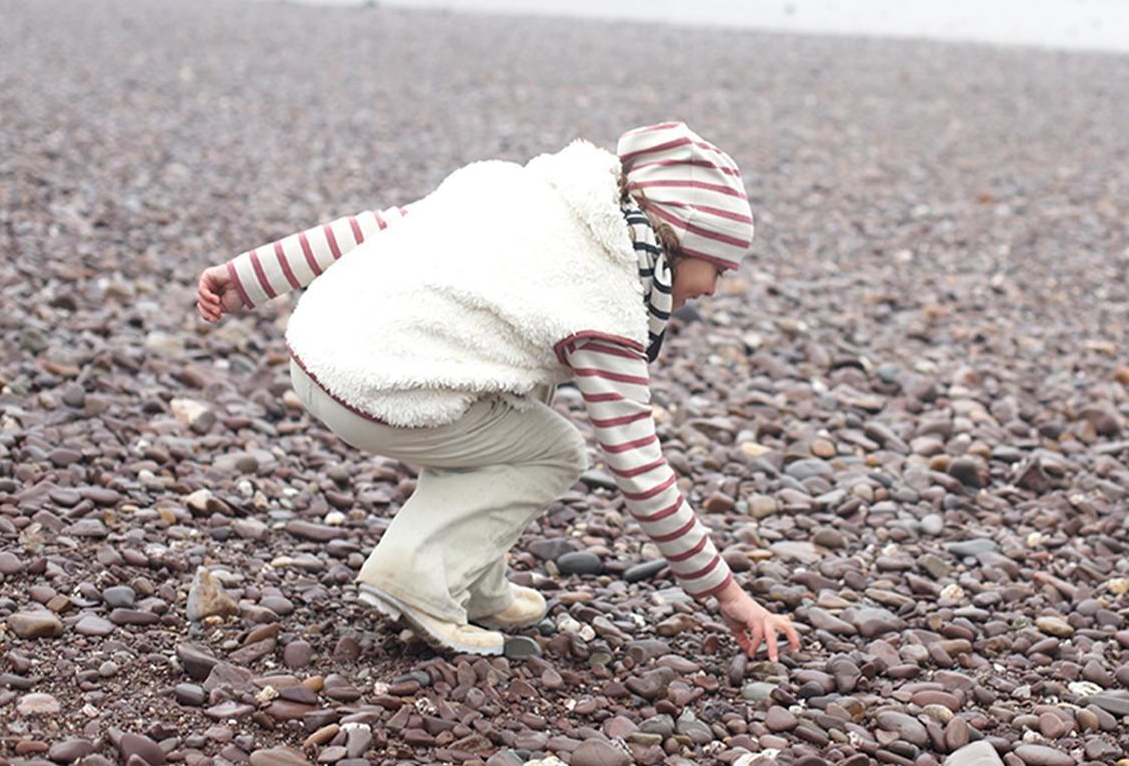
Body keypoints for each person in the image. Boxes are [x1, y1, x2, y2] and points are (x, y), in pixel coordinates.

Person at [195, 121, 801, 660]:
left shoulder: (526, 192)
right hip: (378, 386)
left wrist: (249, 276)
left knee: (523, 398)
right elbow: (639, 468)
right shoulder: (607, 300)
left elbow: (379, 226)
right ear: (679, 241)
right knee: (555, 450)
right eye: (718, 269)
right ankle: (418, 576)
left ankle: (476, 579)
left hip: (318, 342)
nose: (715, 290)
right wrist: (726, 592)